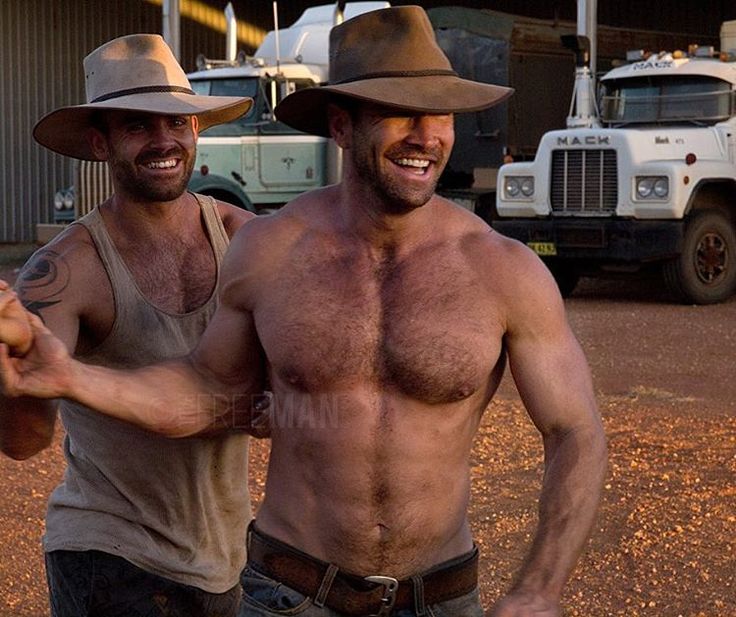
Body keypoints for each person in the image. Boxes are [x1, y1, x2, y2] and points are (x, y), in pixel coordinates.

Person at [0, 8, 608, 617]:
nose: (426, 135)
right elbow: (206, 388)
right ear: (341, 126)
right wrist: (67, 376)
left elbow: (575, 429)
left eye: (440, 112)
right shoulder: (272, 250)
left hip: (441, 596)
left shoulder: (505, 269)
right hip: (289, 592)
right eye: (399, 112)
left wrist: (540, 587)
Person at [0, 33, 257, 617]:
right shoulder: (64, 272)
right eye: (138, 126)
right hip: (109, 554)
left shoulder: (245, 240)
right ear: (100, 142)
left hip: (229, 555)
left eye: (177, 124)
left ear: (198, 131)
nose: (164, 141)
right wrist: (11, 371)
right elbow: (24, 441)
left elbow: (289, 399)